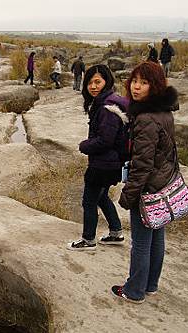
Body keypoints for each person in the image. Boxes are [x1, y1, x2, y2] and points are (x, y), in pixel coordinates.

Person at [113, 61, 179, 304]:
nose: (136, 87)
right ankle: (150, 285)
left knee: (141, 242)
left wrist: (129, 194)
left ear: (156, 85)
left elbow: (142, 165)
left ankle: (134, 291)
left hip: (148, 188)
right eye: (134, 81)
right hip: (162, 185)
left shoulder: (146, 118)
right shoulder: (165, 111)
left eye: (144, 82)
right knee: (157, 236)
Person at [67, 64, 129, 252]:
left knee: (89, 201)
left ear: (106, 81)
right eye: (90, 83)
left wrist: (84, 146)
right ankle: (116, 233)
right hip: (112, 162)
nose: (93, 86)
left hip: (104, 164)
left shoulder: (107, 108)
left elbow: (105, 140)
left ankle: (88, 240)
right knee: (101, 197)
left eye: (97, 82)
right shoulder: (107, 102)